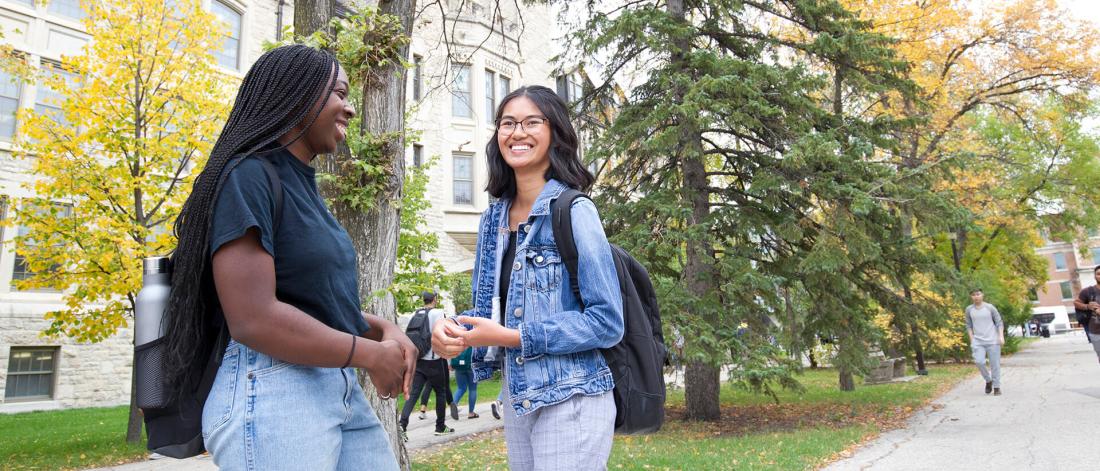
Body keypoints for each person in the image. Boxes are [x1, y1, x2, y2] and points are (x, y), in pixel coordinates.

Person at [160, 45, 416, 471]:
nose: (350, 109)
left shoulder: (301, 186)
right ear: (299, 95)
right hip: (273, 387)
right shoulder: (248, 174)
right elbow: (254, 318)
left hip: (336, 384)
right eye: (339, 93)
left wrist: (384, 329)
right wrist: (370, 355)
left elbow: (311, 306)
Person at [432, 85, 625, 470]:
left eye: (531, 122)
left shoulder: (574, 210)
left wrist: (513, 337)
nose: (517, 132)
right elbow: (491, 306)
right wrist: (451, 330)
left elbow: (607, 322)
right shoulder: (492, 219)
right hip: (518, 396)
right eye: (508, 123)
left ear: (555, 132)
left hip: (573, 394)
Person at [399, 291, 456, 437]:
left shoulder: (415, 313)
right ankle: (440, 426)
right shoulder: (438, 313)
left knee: (413, 394)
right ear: (434, 299)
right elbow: (445, 333)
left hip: (419, 360)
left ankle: (402, 425)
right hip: (434, 360)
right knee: (441, 393)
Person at [965, 288, 1004, 396]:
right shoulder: (969, 309)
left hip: (993, 340)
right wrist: (971, 339)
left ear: (982, 295)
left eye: (978, 294)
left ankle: (996, 387)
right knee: (979, 361)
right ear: (971, 297)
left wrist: (1001, 336)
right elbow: (968, 325)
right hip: (978, 341)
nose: (976, 296)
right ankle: (988, 380)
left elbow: (999, 322)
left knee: (994, 364)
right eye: (973, 295)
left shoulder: (989, 307)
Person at [1072, 266, 1100, 363]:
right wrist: (1087, 306)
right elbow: (1076, 303)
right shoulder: (1088, 291)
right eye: (1098, 274)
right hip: (1095, 330)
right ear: (1095, 276)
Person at [451, 346, 479, 418]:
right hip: (471, 366)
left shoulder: (458, 336)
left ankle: (454, 403)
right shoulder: (474, 337)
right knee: (473, 389)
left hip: (459, 367)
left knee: (461, 388)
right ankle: (471, 413)